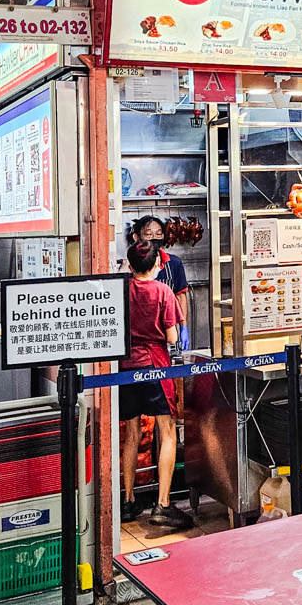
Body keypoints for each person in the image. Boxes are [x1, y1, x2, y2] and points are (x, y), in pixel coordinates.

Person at [119, 240, 193, 529]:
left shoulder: (121, 290)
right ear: (157, 265)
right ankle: (162, 504)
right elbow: (173, 337)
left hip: (125, 370)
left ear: (130, 264)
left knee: (131, 432)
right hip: (155, 367)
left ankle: (127, 500)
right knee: (168, 430)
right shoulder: (162, 291)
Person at [125, 216, 190, 351]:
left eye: (158, 234)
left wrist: (184, 327)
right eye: (149, 234)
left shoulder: (174, 263)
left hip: (169, 334)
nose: (154, 238)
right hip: (137, 339)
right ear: (137, 237)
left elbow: (181, 296)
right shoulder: (132, 265)